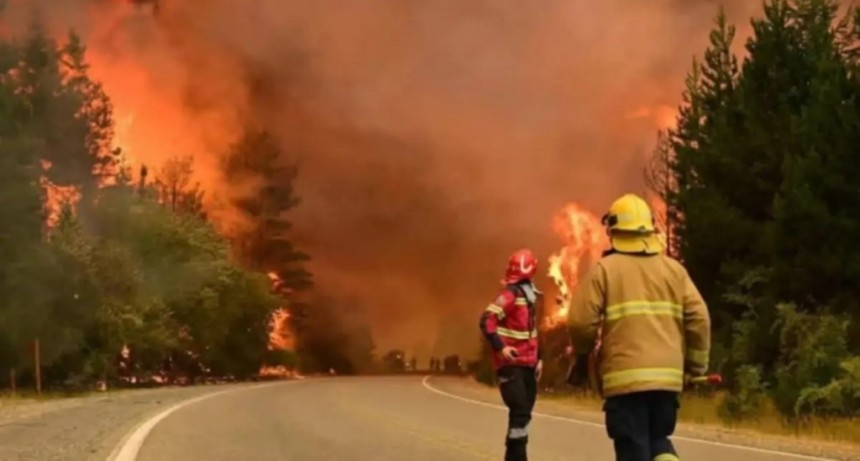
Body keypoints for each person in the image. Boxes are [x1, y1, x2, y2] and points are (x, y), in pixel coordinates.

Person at [567, 194, 711, 461]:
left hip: (626, 383)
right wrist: (695, 367)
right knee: (658, 441)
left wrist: (583, 355)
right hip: (667, 382)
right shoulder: (674, 271)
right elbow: (700, 318)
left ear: (613, 231)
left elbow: (579, 322)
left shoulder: (604, 271)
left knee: (634, 448)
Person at [479, 249, 543, 461]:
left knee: (523, 416)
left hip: (528, 366)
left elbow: (532, 332)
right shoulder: (509, 295)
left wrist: (539, 358)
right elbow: (487, 319)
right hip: (511, 365)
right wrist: (501, 348)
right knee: (520, 412)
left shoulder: (530, 297)